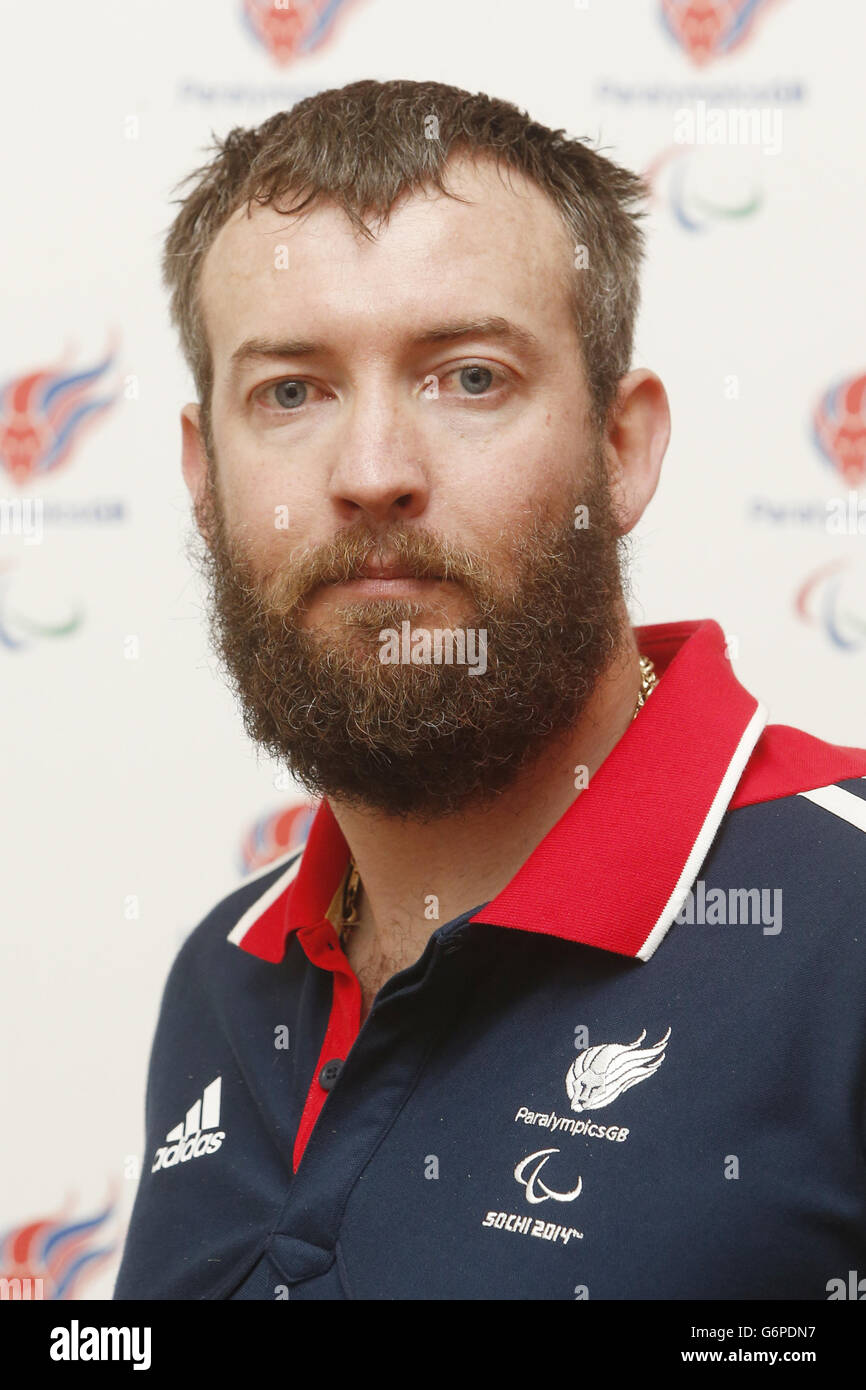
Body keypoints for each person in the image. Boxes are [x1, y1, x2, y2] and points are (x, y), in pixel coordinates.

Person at [114, 78, 866, 1301]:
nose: (370, 473)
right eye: (291, 391)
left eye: (466, 377)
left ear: (617, 451)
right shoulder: (227, 968)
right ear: (205, 477)